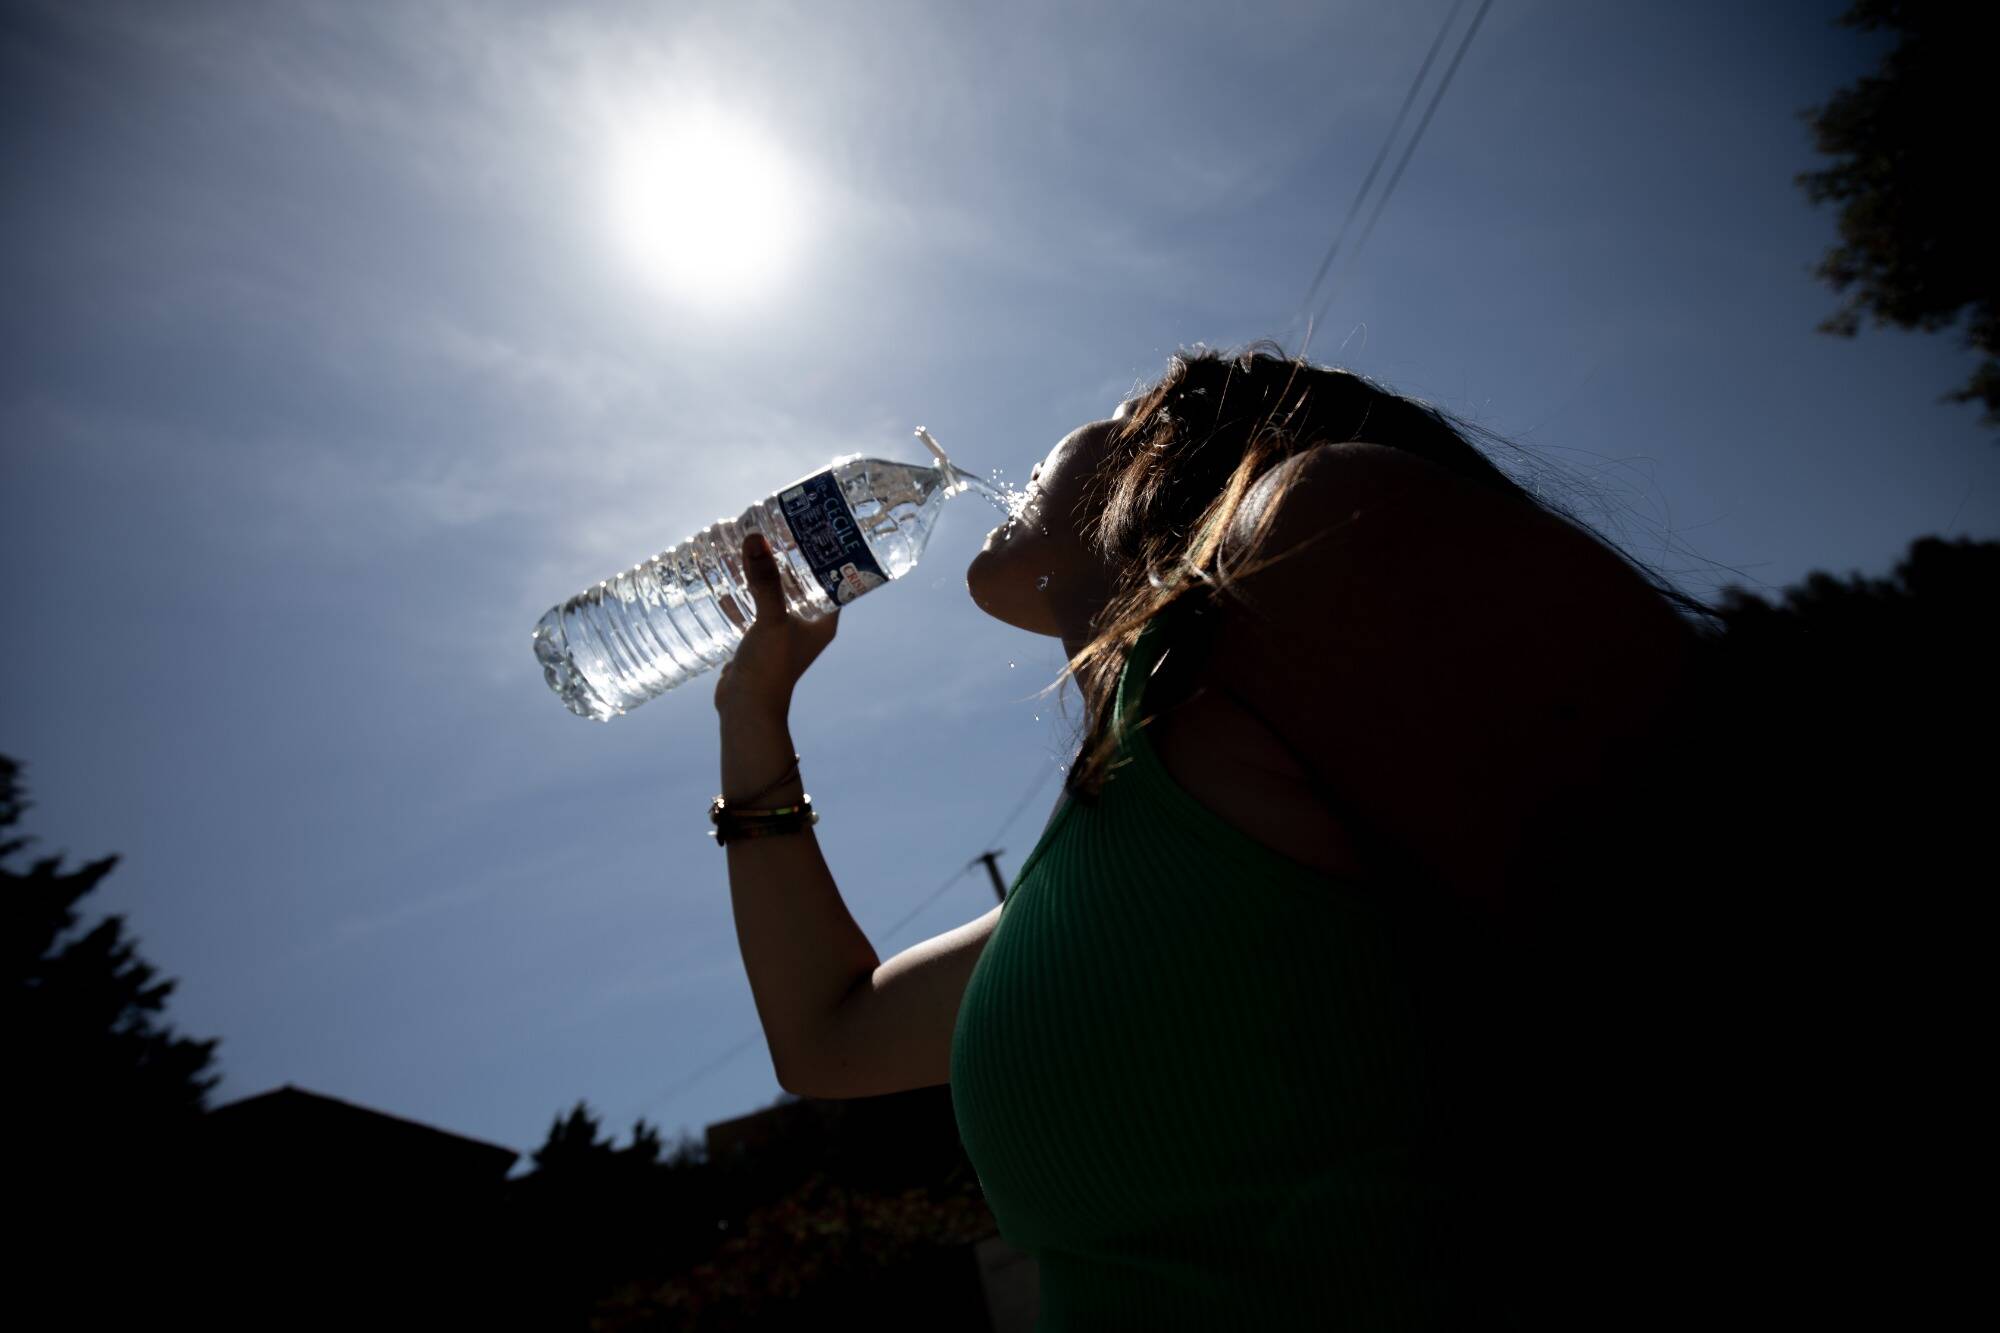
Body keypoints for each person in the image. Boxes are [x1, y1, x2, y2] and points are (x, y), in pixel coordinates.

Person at [711, 343, 1718, 1328]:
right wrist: (752, 710)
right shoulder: (1119, 843)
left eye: (1085, 424)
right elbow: (826, 1038)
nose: (1017, 474)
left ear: (1164, 446)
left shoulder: (1322, 526)